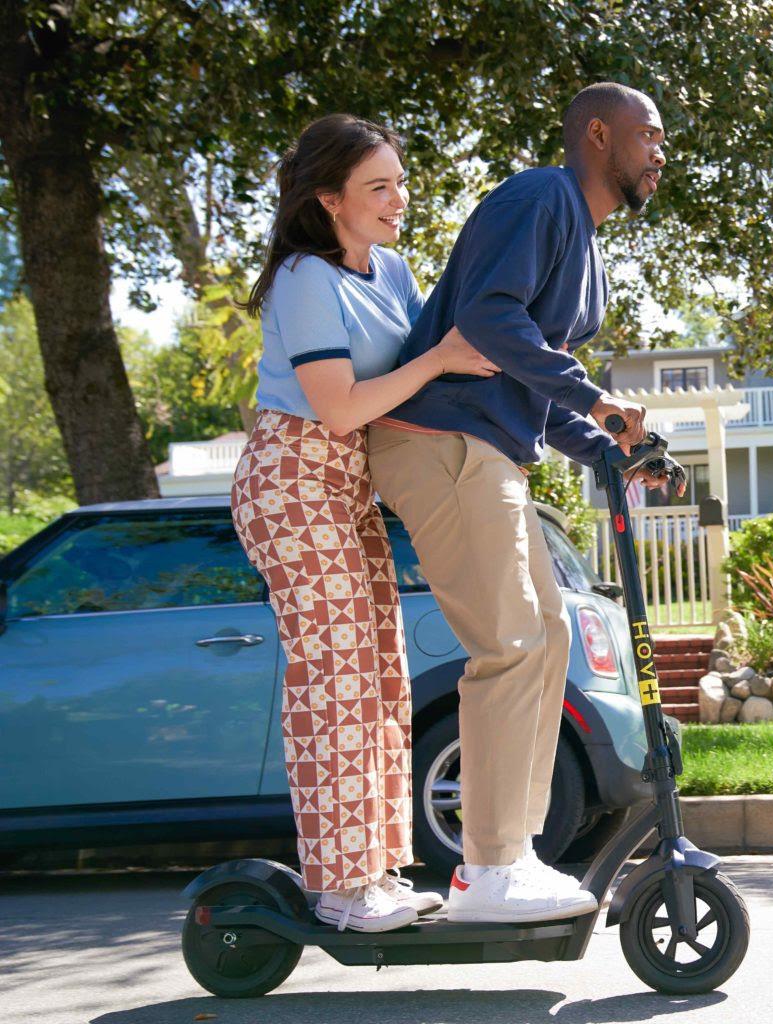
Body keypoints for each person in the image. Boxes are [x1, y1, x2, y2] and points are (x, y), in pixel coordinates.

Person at [367, 82, 674, 923]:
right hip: (440, 439)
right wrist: (595, 400)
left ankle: (509, 858)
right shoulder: (541, 195)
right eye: (648, 136)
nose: (659, 154)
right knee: (508, 643)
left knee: (545, 637)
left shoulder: (587, 246)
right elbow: (488, 318)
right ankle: (488, 871)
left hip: (488, 445)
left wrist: (607, 443)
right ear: (599, 135)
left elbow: (531, 384)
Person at [231, 113, 498, 933]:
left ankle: (374, 872)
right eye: (378, 187)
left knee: (379, 669)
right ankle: (341, 888)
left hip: (347, 483)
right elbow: (340, 407)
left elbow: (427, 376)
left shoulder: (392, 270)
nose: (399, 199)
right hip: (292, 477)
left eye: (401, 181)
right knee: (335, 673)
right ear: (329, 200)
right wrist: (441, 358)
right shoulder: (307, 278)